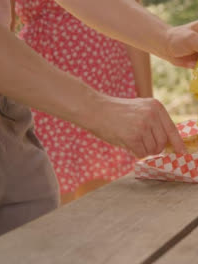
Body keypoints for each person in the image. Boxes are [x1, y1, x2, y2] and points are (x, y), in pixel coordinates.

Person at [0, 0, 198, 240]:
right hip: (29, 95)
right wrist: (98, 109)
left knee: (42, 247)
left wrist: (165, 37)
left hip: (8, 110)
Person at [13, 0, 154, 203]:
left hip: (107, 83)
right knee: (51, 190)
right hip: (45, 88)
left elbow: (134, 22)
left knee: (108, 196)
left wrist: (145, 101)